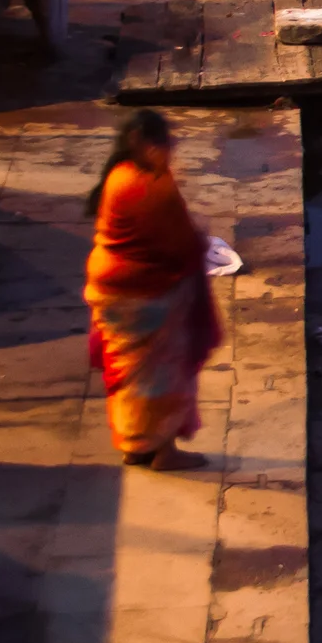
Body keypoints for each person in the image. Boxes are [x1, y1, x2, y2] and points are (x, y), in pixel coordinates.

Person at [82, 110, 219, 470]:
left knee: (130, 375)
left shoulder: (118, 175)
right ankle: (163, 451)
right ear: (150, 146)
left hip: (110, 287)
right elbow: (182, 244)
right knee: (164, 373)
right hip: (143, 296)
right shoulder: (150, 187)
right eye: (167, 145)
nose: (170, 153)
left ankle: (134, 445)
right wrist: (201, 242)